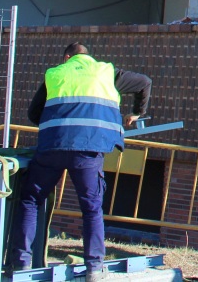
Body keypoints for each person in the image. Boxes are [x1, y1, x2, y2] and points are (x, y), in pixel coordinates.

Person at [9, 43, 152, 282]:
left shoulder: (55, 74)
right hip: (89, 149)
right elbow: (144, 82)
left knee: (31, 200)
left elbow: (34, 115)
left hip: (53, 147)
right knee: (91, 208)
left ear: (67, 57)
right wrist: (137, 112)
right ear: (88, 57)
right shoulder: (106, 72)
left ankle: (21, 264)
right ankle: (94, 268)